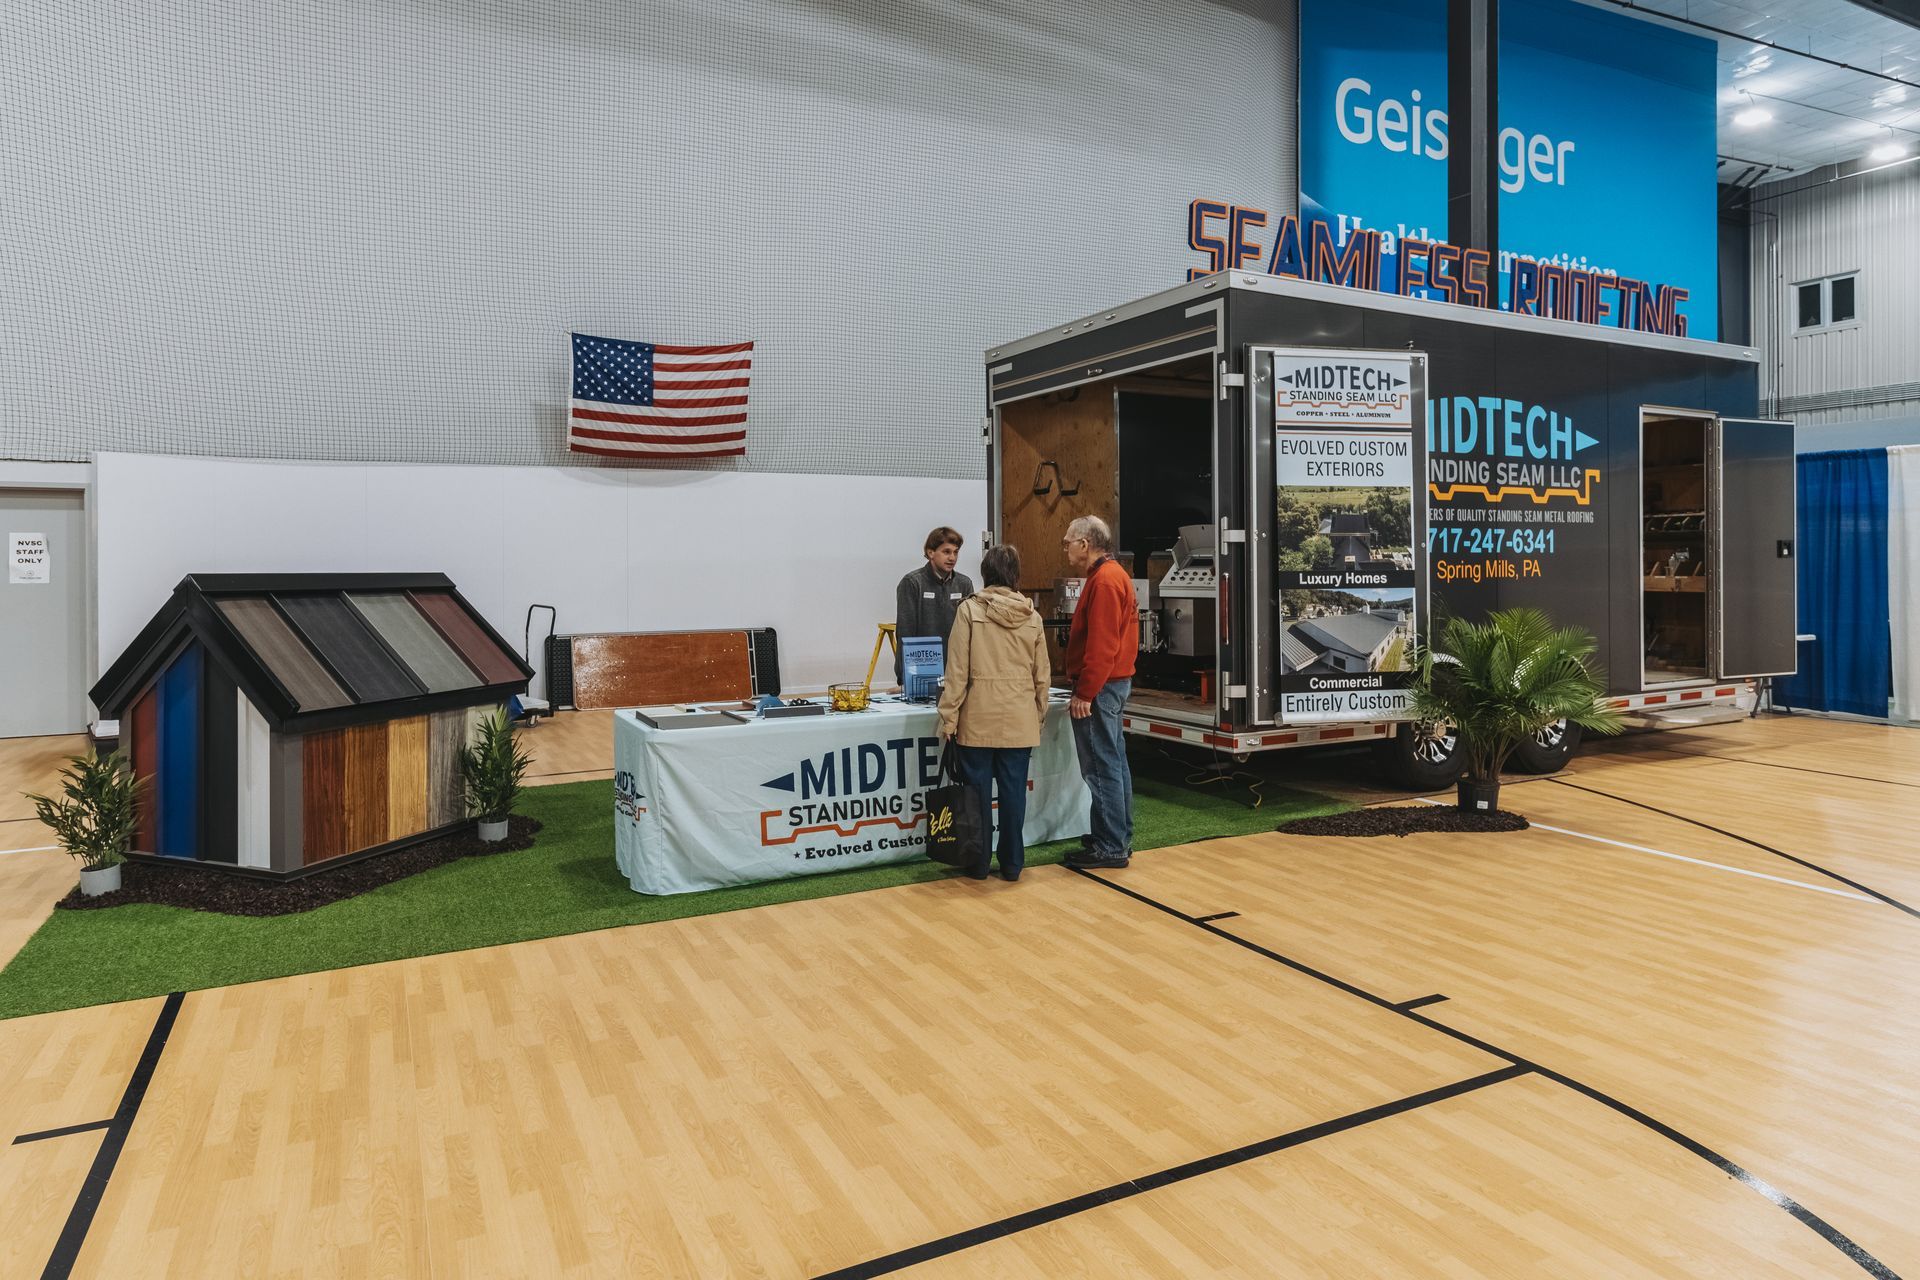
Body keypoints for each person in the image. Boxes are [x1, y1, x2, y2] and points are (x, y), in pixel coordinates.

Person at [937, 545, 1049, 881]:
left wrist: (949, 717)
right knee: (1014, 796)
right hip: (1019, 720)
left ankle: (979, 863)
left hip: (978, 720)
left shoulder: (969, 610)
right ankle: (1013, 865)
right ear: (1016, 575)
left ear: (986, 574)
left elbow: (957, 672)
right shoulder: (1033, 616)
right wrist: (1037, 716)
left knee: (978, 796)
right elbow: (1042, 676)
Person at [1061, 515, 1137, 869]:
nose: (1066, 549)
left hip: (1102, 686)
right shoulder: (1113, 575)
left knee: (1101, 765)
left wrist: (1085, 693)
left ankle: (1110, 845)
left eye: (1068, 542)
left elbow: (1103, 645)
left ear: (1085, 544)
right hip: (1114, 683)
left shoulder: (1104, 581)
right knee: (1114, 762)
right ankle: (1117, 836)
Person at [895, 526, 975, 686]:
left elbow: (970, 631)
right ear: (931, 553)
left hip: (955, 670)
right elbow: (905, 632)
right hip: (921, 669)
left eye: (956, 552)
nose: (952, 557)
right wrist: (906, 677)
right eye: (946, 552)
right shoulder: (912, 583)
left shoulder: (964, 584)